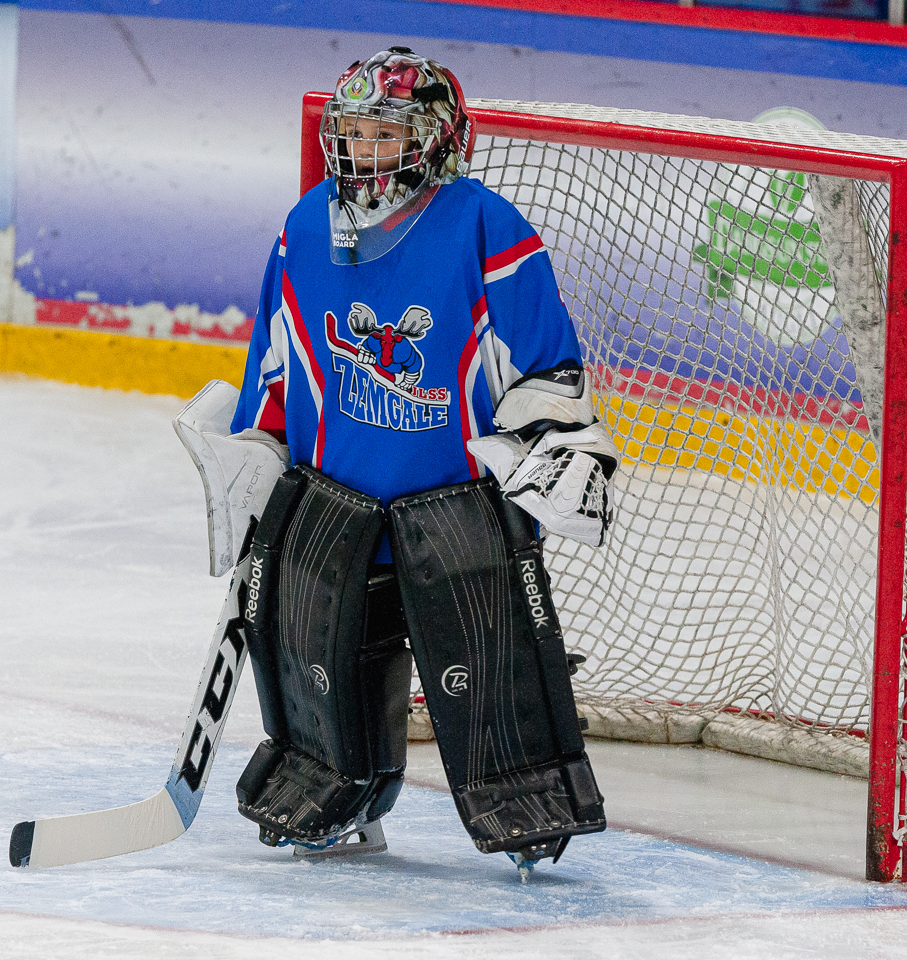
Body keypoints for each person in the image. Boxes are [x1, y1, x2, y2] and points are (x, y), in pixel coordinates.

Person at [203, 48, 620, 879]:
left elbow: (546, 366)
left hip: (454, 512)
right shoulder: (303, 228)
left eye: (385, 134)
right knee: (314, 665)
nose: (363, 152)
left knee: (492, 674)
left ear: (434, 139)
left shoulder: (486, 227)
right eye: (352, 134)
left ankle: (528, 797)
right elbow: (275, 366)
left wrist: (557, 445)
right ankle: (334, 792)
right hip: (333, 509)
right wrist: (254, 455)